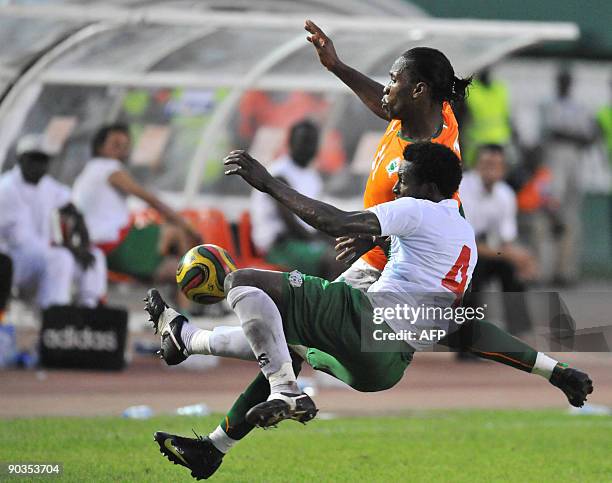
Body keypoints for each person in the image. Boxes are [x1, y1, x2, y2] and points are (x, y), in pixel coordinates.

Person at [145, 144, 593, 480]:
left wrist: (268, 183)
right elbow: (471, 333)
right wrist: (556, 372)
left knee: (245, 280)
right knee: (279, 342)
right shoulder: (463, 243)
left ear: (430, 190)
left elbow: (335, 222)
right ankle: (201, 392)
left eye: (405, 177)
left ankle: (285, 392)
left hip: (365, 319)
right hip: (382, 367)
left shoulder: (417, 209)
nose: (397, 184)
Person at [73, 123, 200, 282]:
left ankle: (173, 278)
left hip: (90, 242)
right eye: (116, 145)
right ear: (100, 147)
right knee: (177, 233)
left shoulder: (88, 170)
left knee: (172, 257)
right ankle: (190, 292)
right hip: (112, 242)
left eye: (125, 146)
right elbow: (152, 200)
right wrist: (189, 228)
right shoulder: (110, 168)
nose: (121, 151)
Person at [0, 135, 106, 309]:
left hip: (40, 256)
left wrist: (83, 244)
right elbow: (22, 241)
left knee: (94, 256)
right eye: (33, 159)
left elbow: (73, 210)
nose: (39, 165)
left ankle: (90, 310)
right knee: (60, 258)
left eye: (43, 160)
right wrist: (70, 248)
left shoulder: (47, 185)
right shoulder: (6, 189)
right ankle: (54, 313)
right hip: (13, 262)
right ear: (20, 159)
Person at [250, 119, 342, 279]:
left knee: (349, 253)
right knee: (336, 260)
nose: (309, 148)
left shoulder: (312, 176)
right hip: (279, 246)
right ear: (290, 143)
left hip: (302, 241)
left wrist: (332, 238)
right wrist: (320, 241)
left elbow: (317, 218)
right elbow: (290, 224)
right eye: (304, 142)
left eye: (312, 143)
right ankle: (327, 304)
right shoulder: (278, 174)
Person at [460, 144, 536, 336]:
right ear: (476, 166)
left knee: (511, 269)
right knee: (472, 275)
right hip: (458, 254)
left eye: (497, 165)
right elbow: (465, 244)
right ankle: (468, 336)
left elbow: (506, 240)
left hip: (487, 251)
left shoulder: (505, 195)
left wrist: (519, 259)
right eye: (486, 164)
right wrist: (509, 254)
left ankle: (518, 332)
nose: (491, 170)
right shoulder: (462, 190)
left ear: (504, 170)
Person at [540, 68, 598, 285]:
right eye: (562, 80)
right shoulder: (549, 104)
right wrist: (575, 134)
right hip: (555, 154)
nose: (565, 84)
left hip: (575, 156)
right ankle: (546, 270)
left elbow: (590, 135)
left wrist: (575, 134)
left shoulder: (579, 106)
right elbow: (554, 132)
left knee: (571, 214)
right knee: (552, 210)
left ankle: (566, 271)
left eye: (567, 80)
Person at [462, 68, 512, 168]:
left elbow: (507, 117)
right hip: (478, 148)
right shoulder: (470, 91)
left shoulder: (500, 89)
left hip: (499, 144)